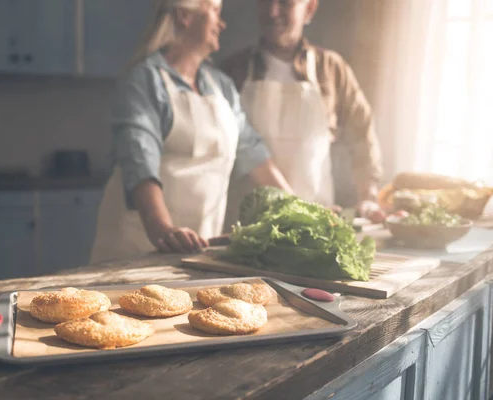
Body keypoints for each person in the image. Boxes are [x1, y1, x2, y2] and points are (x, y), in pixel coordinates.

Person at [90, 0, 292, 263]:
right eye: (215, 12)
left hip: (195, 249)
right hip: (138, 247)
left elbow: (254, 154)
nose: (222, 24)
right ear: (184, 16)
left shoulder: (221, 86)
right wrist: (163, 230)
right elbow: (139, 162)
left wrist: (305, 210)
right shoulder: (145, 80)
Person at [221, 0, 386, 230]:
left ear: (309, 9)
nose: (272, 12)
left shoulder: (331, 68)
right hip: (247, 225)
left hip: (317, 221)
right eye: (266, 2)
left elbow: (362, 132)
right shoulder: (233, 70)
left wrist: (368, 196)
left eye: (286, 3)